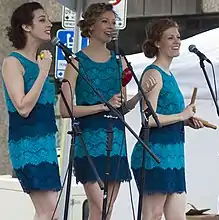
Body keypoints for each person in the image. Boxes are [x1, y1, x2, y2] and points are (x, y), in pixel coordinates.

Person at [59, 3, 156, 220]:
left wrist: (140, 96)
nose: (111, 26)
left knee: (104, 211)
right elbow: (65, 109)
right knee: (100, 207)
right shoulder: (76, 62)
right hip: (89, 140)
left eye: (114, 22)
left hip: (116, 137)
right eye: (105, 21)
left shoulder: (119, 61)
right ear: (90, 26)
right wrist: (103, 105)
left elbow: (121, 107)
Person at [131, 18, 204, 220]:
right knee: (152, 215)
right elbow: (148, 119)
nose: (177, 41)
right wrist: (181, 115)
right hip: (154, 154)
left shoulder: (169, 75)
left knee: (178, 216)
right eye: (170, 37)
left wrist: (185, 120)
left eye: (178, 37)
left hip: (173, 154)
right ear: (157, 43)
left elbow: (166, 116)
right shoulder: (153, 73)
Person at [1, 2, 61, 220]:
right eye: (42, 20)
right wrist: (43, 73)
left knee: (46, 212)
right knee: (51, 212)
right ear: (26, 27)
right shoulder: (13, 62)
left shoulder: (39, 61)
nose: (48, 25)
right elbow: (23, 107)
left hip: (46, 144)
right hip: (27, 144)